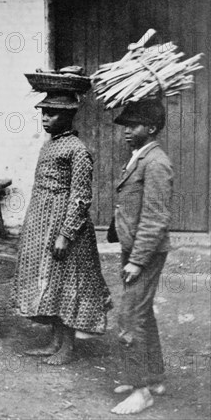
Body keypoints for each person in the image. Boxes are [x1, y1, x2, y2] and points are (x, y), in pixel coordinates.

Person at [12, 91, 111, 364]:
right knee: (51, 284)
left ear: (67, 117)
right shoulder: (50, 145)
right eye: (43, 111)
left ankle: (68, 347)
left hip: (65, 230)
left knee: (68, 285)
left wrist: (66, 235)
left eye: (52, 113)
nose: (45, 117)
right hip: (43, 224)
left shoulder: (77, 149)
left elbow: (80, 197)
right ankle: (54, 341)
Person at [110, 99, 173, 415]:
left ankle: (140, 390)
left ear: (151, 128)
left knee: (130, 316)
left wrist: (137, 259)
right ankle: (155, 376)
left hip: (144, 253)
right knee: (143, 312)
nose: (126, 131)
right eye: (125, 126)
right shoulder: (139, 157)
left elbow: (155, 217)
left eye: (132, 126)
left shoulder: (156, 163)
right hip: (132, 248)